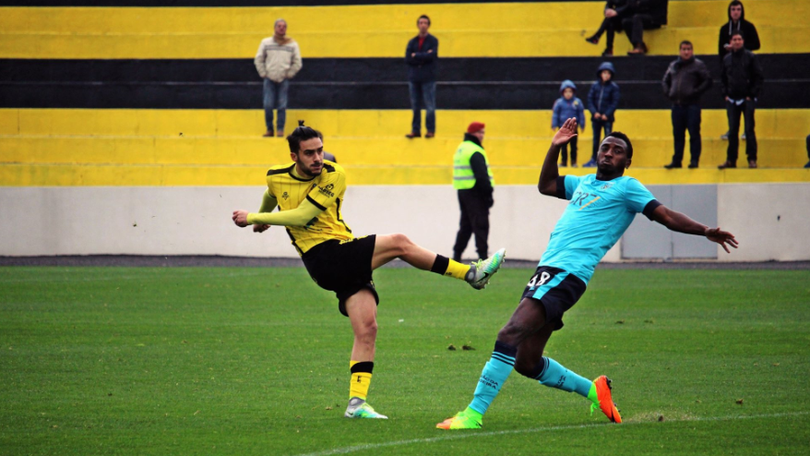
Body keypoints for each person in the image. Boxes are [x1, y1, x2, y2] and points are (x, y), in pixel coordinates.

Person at [436, 118, 738, 430]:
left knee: (508, 334)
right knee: (527, 361)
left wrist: (705, 231)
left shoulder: (627, 187)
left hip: (566, 274)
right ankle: (595, 390)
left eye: (617, 150)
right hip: (548, 271)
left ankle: (472, 415)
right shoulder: (583, 183)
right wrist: (554, 147)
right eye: (605, 147)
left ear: (627, 161)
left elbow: (665, 215)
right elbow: (546, 185)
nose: (609, 153)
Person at [232, 121, 506, 420]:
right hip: (323, 257)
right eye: (309, 153)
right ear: (294, 156)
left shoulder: (334, 174)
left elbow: (303, 215)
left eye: (320, 150)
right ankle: (470, 274)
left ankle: (356, 404)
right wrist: (261, 218)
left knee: (367, 329)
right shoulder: (276, 175)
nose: (317, 158)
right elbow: (273, 192)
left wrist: (254, 217)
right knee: (400, 243)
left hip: (341, 254)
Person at [662, 41, 712, 169]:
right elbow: (665, 80)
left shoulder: (698, 65)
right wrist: (669, 93)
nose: (686, 52)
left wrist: (695, 92)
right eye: (684, 49)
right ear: (679, 51)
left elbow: (707, 81)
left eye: (688, 49)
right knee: (678, 135)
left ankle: (694, 160)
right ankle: (677, 160)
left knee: (694, 133)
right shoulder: (673, 65)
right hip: (677, 105)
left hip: (692, 105)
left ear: (692, 50)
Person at [718, 31, 764, 170]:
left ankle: (752, 159)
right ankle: (731, 160)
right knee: (732, 131)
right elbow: (722, 79)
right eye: (734, 39)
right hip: (731, 99)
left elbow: (758, 76)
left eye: (739, 39)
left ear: (743, 41)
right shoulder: (726, 59)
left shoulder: (750, 57)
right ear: (730, 42)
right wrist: (725, 94)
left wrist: (752, 94)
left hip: (747, 98)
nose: (737, 42)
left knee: (749, 130)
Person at [718, 0, 761, 141]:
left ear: (741, 11)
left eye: (738, 9)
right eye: (733, 9)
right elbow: (720, 51)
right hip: (731, 69)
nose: (735, 12)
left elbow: (757, 44)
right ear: (729, 12)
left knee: (747, 109)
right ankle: (731, 129)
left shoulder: (748, 26)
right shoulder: (724, 29)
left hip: (746, 69)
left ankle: (746, 131)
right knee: (731, 106)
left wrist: (739, 46)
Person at [453, 122, 494, 263]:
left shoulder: (462, 148)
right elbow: (482, 176)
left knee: (466, 225)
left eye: (483, 133)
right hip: (476, 192)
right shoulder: (475, 150)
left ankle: (457, 255)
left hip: (463, 191)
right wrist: (488, 194)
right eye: (479, 132)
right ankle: (483, 258)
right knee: (481, 224)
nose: (482, 136)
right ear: (472, 133)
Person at [254, 19, 302, 138]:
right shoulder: (266, 42)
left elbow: (297, 62)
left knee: (282, 105)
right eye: (279, 26)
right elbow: (258, 59)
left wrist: (289, 74)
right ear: (275, 28)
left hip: (283, 79)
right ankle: (270, 129)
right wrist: (263, 73)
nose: (281, 28)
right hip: (269, 79)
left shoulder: (292, 44)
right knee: (268, 105)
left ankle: (280, 130)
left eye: (284, 26)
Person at [405, 15, 439, 139]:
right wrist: (423, 56)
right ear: (418, 25)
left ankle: (430, 130)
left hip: (428, 78)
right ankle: (416, 130)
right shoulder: (412, 41)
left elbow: (432, 56)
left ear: (428, 25)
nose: (423, 25)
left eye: (425, 23)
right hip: (414, 78)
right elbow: (408, 58)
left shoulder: (433, 41)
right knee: (415, 106)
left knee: (430, 106)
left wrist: (416, 56)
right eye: (421, 22)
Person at [584, 62, 620, 168]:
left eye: (608, 73)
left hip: (607, 119)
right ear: (600, 73)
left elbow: (615, 102)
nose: (606, 75)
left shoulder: (614, 87)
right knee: (596, 139)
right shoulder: (595, 86)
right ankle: (594, 158)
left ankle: (607, 160)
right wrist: (594, 112)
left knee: (607, 139)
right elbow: (590, 100)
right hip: (596, 118)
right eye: (604, 72)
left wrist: (607, 114)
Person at [551, 80, 586, 167]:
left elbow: (581, 114)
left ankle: (573, 161)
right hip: (562, 128)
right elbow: (555, 114)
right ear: (562, 92)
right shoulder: (559, 102)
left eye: (570, 91)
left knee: (574, 146)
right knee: (563, 146)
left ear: (573, 92)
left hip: (573, 128)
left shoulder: (577, 102)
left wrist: (582, 124)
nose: (568, 94)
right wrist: (554, 124)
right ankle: (564, 161)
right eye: (566, 91)